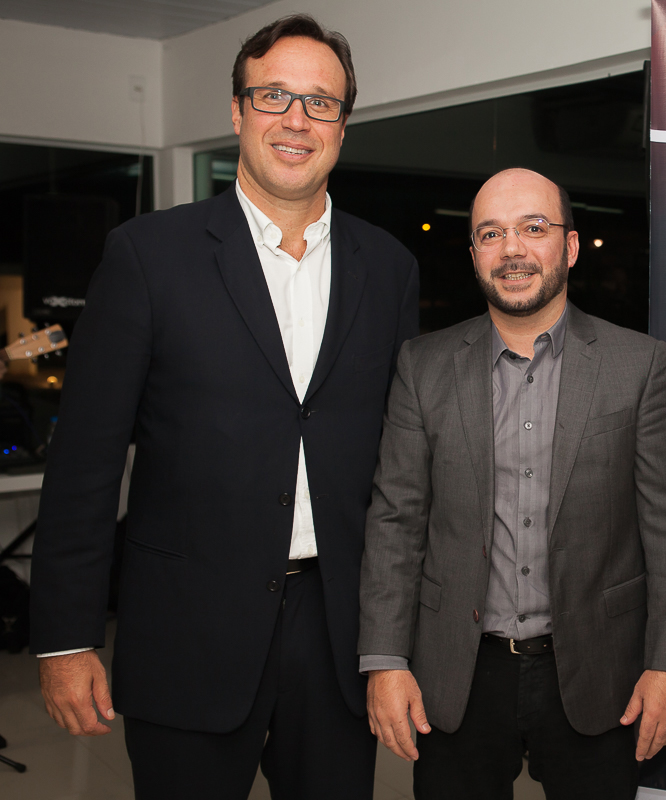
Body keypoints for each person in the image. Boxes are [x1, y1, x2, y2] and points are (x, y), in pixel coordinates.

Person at [29, 15, 419, 800]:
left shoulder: (390, 266)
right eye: (275, 95)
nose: (297, 120)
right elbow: (85, 464)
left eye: (321, 102)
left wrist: (399, 643)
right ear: (238, 111)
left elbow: (405, 467)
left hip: (339, 632)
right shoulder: (148, 256)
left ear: (344, 124)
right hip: (187, 630)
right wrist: (65, 642)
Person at [359, 167, 666, 799]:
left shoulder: (637, 366)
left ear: (568, 247)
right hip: (458, 672)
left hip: (599, 673)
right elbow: (396, 521)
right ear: (473, 256)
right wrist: (384, 660)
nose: (512, 249)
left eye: (533, 228)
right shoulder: (422, 366)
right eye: (491, 234)